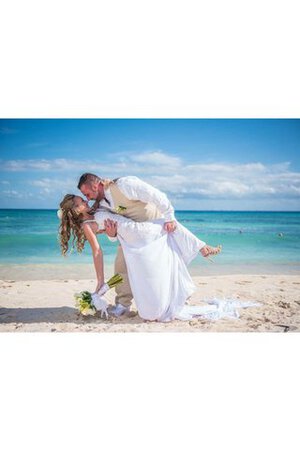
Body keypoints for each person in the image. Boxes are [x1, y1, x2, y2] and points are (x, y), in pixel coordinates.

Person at [58, 194, 222, 322]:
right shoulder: (87, 225)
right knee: (166, 225)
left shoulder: (96, 208)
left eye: (83, 199)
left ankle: (202, 247)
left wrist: (122, 217)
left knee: (168, 224)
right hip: (132, 236)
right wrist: (100, 281)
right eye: (81, 202)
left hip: (133, 233)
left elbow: (119, 213)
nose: (86, 201)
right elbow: (97, 251)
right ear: (75, 210)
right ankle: (202, 247)